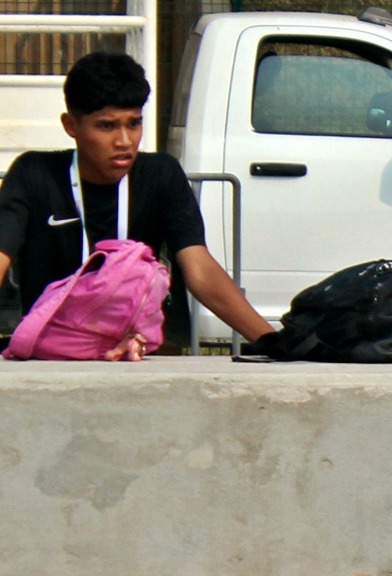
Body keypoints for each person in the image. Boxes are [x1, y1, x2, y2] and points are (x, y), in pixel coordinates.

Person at [0, 51, 273, 360]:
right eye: (106, 126)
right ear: (70, 125)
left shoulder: (161, 174)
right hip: (50, 358)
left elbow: (199, 268)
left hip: (137, 356)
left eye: (134, 124)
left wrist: (271, 342)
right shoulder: (33, 174)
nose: (124, 141)